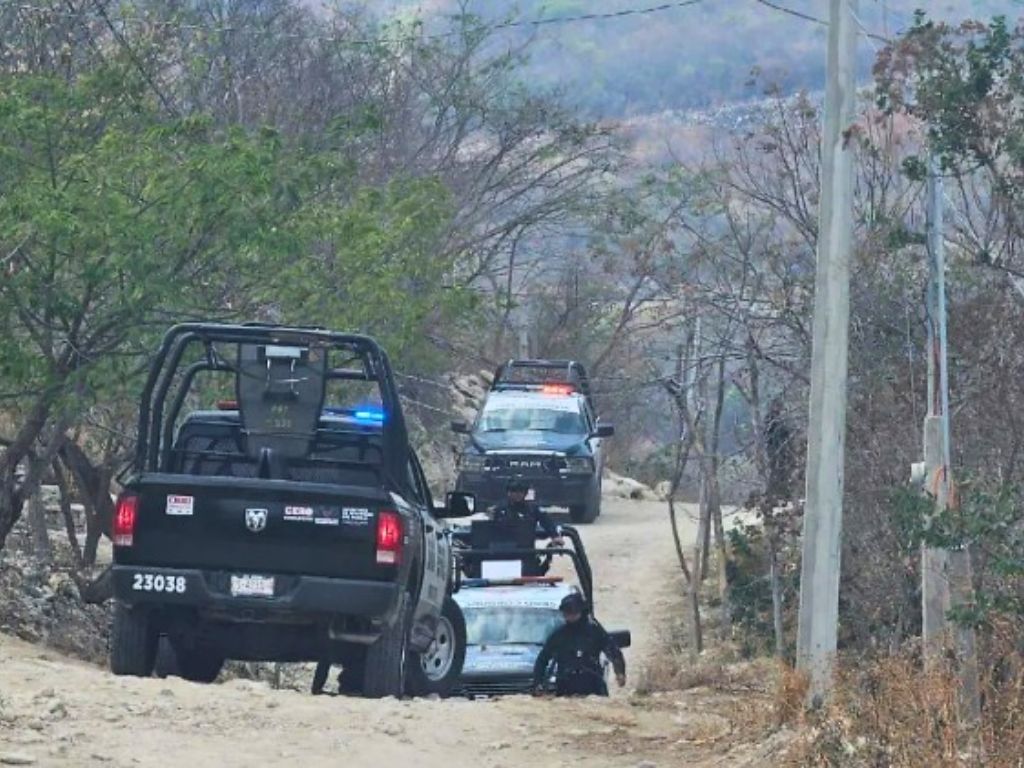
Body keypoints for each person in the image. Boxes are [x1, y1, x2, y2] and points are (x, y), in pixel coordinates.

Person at [532, 592, 626, 697]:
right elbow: (542, 659)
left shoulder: (595, 631)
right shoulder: (559, 635)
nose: (569, 616)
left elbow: (613, 651)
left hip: (593, 685)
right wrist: (538, 683)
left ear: (581, 611)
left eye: (572, 612)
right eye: (566, 613)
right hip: (566, 687)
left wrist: (620, 672)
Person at [490, 477, 562, 576]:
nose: (517, 494)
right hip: (500, 555)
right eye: (514, 490)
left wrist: (555, 535)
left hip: (526, 554)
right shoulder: (498, 510)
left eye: (521, 491)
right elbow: (486, 530)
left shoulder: (532, 509)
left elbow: (546, 521)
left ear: (525, 493)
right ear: (508, 492)